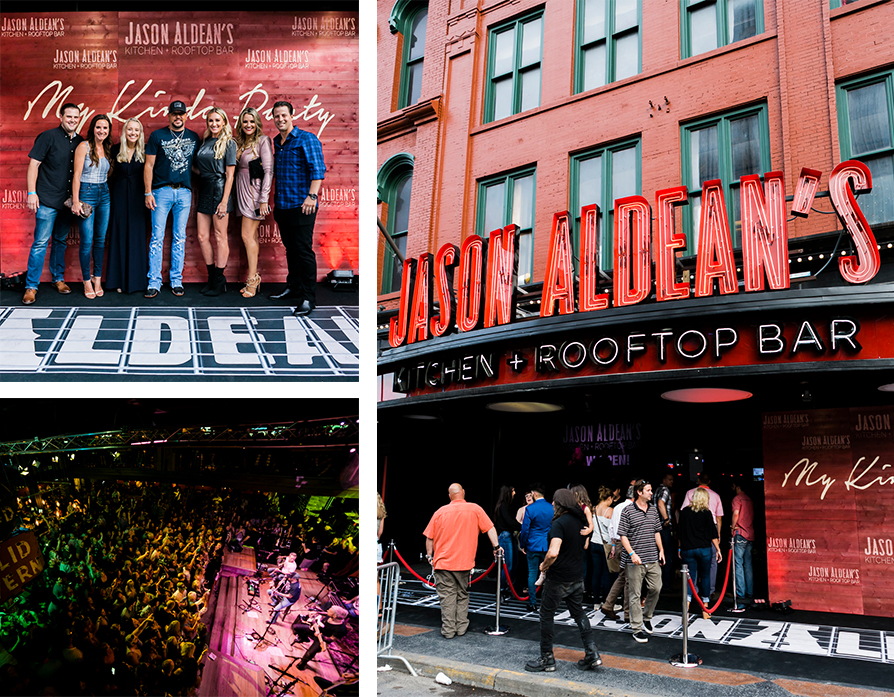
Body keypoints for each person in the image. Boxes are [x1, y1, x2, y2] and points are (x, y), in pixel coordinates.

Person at [524, 489, 601, 673]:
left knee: (546, 615)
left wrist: (544, 566)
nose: (552, 505)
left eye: (554, 502)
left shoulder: (558, 524)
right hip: (576, 577)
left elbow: (553, 551)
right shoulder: (579, 521)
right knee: (579, 614)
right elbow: (583, 545)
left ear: (559, 505)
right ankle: (592, 653)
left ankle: (547, 659)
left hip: (558, 579)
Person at [22, 102, 85, 305]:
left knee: (60, 241)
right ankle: (31, 286)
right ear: (61, 116)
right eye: (69, 117)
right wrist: (32, 192)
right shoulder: (47, 136)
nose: (72, 120)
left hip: (67, 203)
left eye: (76, 117)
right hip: (47, 200)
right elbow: (34, 165)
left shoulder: (81, 141)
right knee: (40, 243)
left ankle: (58, 279)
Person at [268, 100, 326, 316]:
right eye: (277, 116)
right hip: (282, 206)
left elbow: (318, 169)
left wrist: (312, 196)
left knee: (303, 251)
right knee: (291, 250)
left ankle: (309, 299)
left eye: (284, 115)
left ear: (292, 116)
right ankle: (294, 287)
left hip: (302, 206)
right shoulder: (277, 142)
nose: (280, 119)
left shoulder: (306, 139)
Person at [422, 483, 499, 639]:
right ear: (463, 492)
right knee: (462, 594)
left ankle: (449, 630)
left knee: (447, 597)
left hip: (442, 563)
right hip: (464, 562)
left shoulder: (440, 512)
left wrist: (430, 556)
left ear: (450, 496)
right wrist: (496, 546)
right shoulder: (475, 509)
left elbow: (429, 537)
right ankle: (461, 626)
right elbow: (490, 528)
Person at [144, 100, 200, 298]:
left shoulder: (193, 137)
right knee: (157, 238)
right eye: (174, 114)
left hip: (184, 192)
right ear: (168, 115)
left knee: (179, 237)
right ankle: (154, 282)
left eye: (181, 114)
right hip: (161, 192)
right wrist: (148, 192)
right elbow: (149, 165)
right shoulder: (157, 136)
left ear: (186, 115)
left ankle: (176, 280)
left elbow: (195, 165)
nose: (178, 117)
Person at [194, 107, 237, 296]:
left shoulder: (229, 143)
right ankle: (212, 277)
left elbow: (230, 176)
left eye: (218, 121)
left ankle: (219, 279)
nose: (214, 124)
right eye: (211, 121)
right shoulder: (205, 141)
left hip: (220, 190)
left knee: (220, 236)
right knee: (203, 236)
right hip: (204, 188)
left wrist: (224, 201)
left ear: (224, 122)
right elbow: (200, 168)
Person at [71, 113, 113, 298]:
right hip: (86, 194)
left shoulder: (107, 148)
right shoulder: (84, 146)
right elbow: (77, 175)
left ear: (108, 130)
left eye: (105, 127)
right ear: (92, 129)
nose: (101, 131)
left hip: (104, 194)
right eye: (98, 127)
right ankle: (86, 280)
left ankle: (97, 277)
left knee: (101, 239)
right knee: (87, 241)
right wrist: (75, 201)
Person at [618, 479, 665, 643]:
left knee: (656, 588)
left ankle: (647, 617)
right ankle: (637, 628)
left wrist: (661, 550)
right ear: (639, 492)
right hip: (635, 560)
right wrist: (632, 554)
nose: (651, 493)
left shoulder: (653, 510)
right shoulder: (627, 511)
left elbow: (657, 531)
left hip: (652, 556)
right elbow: (622, 535)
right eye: (648, 490)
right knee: (635, 594)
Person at [106, 118, 149, 294]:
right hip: (119, 196)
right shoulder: (115, 149)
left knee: (137, 237)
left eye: (136, 130)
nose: (133, 133)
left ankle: (137, 281)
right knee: (119, 236)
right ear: (125, 132)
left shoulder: (146, 151)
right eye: (130, 130)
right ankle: (118, 280)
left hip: (139, 197)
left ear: (140, 133)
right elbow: (108, 174)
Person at [233, 107, 274, 297]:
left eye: (252, 121)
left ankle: (252, 280)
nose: (248, 125)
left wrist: (263, 199)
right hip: (240, 191)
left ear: (257, 123)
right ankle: (254, 278)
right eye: (245, 121)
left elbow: (268, 171)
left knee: (247, 236)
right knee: (252, 237)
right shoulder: (240, 142)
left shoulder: (263, 141)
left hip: (254, 194)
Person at [678, 488, 722, 620]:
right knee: (705, 576)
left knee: (690, 578)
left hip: (688, 549)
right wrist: (718, 549)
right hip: (704, 549)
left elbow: (680, 531)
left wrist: (679, 547)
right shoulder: (707, 513)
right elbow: (712, 534)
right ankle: (705, 608)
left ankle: (686, 608)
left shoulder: (685, 512)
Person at [682, 473, 723, 595]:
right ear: (709, 481)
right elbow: (719, 518)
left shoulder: (689, 493)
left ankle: (692, 592)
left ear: (698, 480)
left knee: (691, 569)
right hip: (710, 531)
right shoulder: (715, 496)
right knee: (711, 564)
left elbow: (682, 513)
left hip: (691, 531)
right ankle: (709, 592)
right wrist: (718, 535)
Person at [600, 484, 634, 621]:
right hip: (627, 543)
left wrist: (614, 545)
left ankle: (608, 605)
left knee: (622, 576)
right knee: (628, 579)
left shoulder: (618, 507)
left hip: (618, 543)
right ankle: (627, 613)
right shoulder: (631, 508)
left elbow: (612, 528)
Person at [519, 484, 553, 612]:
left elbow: (525, 529)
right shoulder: (551, 508)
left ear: (535, 494)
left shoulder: (530, 508)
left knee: (532, 573)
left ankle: (532, 602)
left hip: (533, 544)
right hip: (547, 545)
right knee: (549, 574)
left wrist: (523, 544)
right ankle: (548, 602)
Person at [292, 606, 349, 670]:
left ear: (335, 616)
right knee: (295, 627)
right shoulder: (329, 616)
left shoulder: (341, 629)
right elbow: (324, 613)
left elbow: (332, 639)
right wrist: (315, 613)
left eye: (329, 611)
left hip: (321, 639)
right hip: (316, 631)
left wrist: (322, 636)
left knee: (309, 653)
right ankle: (303, 638)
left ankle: (303, 663)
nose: (327, 610)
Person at [589, 486, 616, 605]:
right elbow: (613, 530)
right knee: (607, 573)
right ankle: (607, 601)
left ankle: (596, 602)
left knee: (596, 572)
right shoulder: (610, 511)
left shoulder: (593, 509)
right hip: (606, 544)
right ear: (609, 498)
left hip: (594, 542)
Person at [731, 482, 755, 608]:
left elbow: (736, 513)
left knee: (738, 564)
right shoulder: (749, 499)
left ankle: (740, 592)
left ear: (738, 486)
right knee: (748, 564)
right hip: (750, 533)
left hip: (740, 533)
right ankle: (750, 592)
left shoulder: (737, 499)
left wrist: (732, 527)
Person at [654, 471, 677, 589]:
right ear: (664, 480)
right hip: (663, 527)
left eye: (672, 480)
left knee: (657, 555)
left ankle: (658, 583)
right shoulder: (665, 490)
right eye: (669, 479)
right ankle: (666, 584)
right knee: (667, 555)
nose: (671, 482)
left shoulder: (656, 490)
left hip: (655, 528)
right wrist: (666, 518)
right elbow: (660, 503)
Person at [493, 485, 520, 583]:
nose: (514, 493)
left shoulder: (503, 505)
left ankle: (507, 587)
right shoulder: (504, 505)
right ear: (507, 492)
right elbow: (510, 521)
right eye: (513, 491)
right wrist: (523, 526)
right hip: (506, 536)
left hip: (507, 535)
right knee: (508, 564)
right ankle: (503, 589)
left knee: (512, 563)